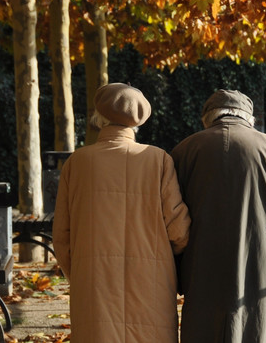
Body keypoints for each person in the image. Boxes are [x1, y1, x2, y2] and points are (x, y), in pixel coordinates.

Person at [171, 89, 266, 343]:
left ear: (207, 118)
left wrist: (180, 277)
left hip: (202, 275)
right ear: (249, 118)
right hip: (264, 274)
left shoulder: (184, 151)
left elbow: (171, 221)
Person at [53, 83, 191, 343]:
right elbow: (179, 231)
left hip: (94, 283)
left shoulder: (78, 162)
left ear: (99, 116)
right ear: (138, 121)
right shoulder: (158, 160)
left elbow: (61, 235)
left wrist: (81, 272)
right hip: (152, 285)